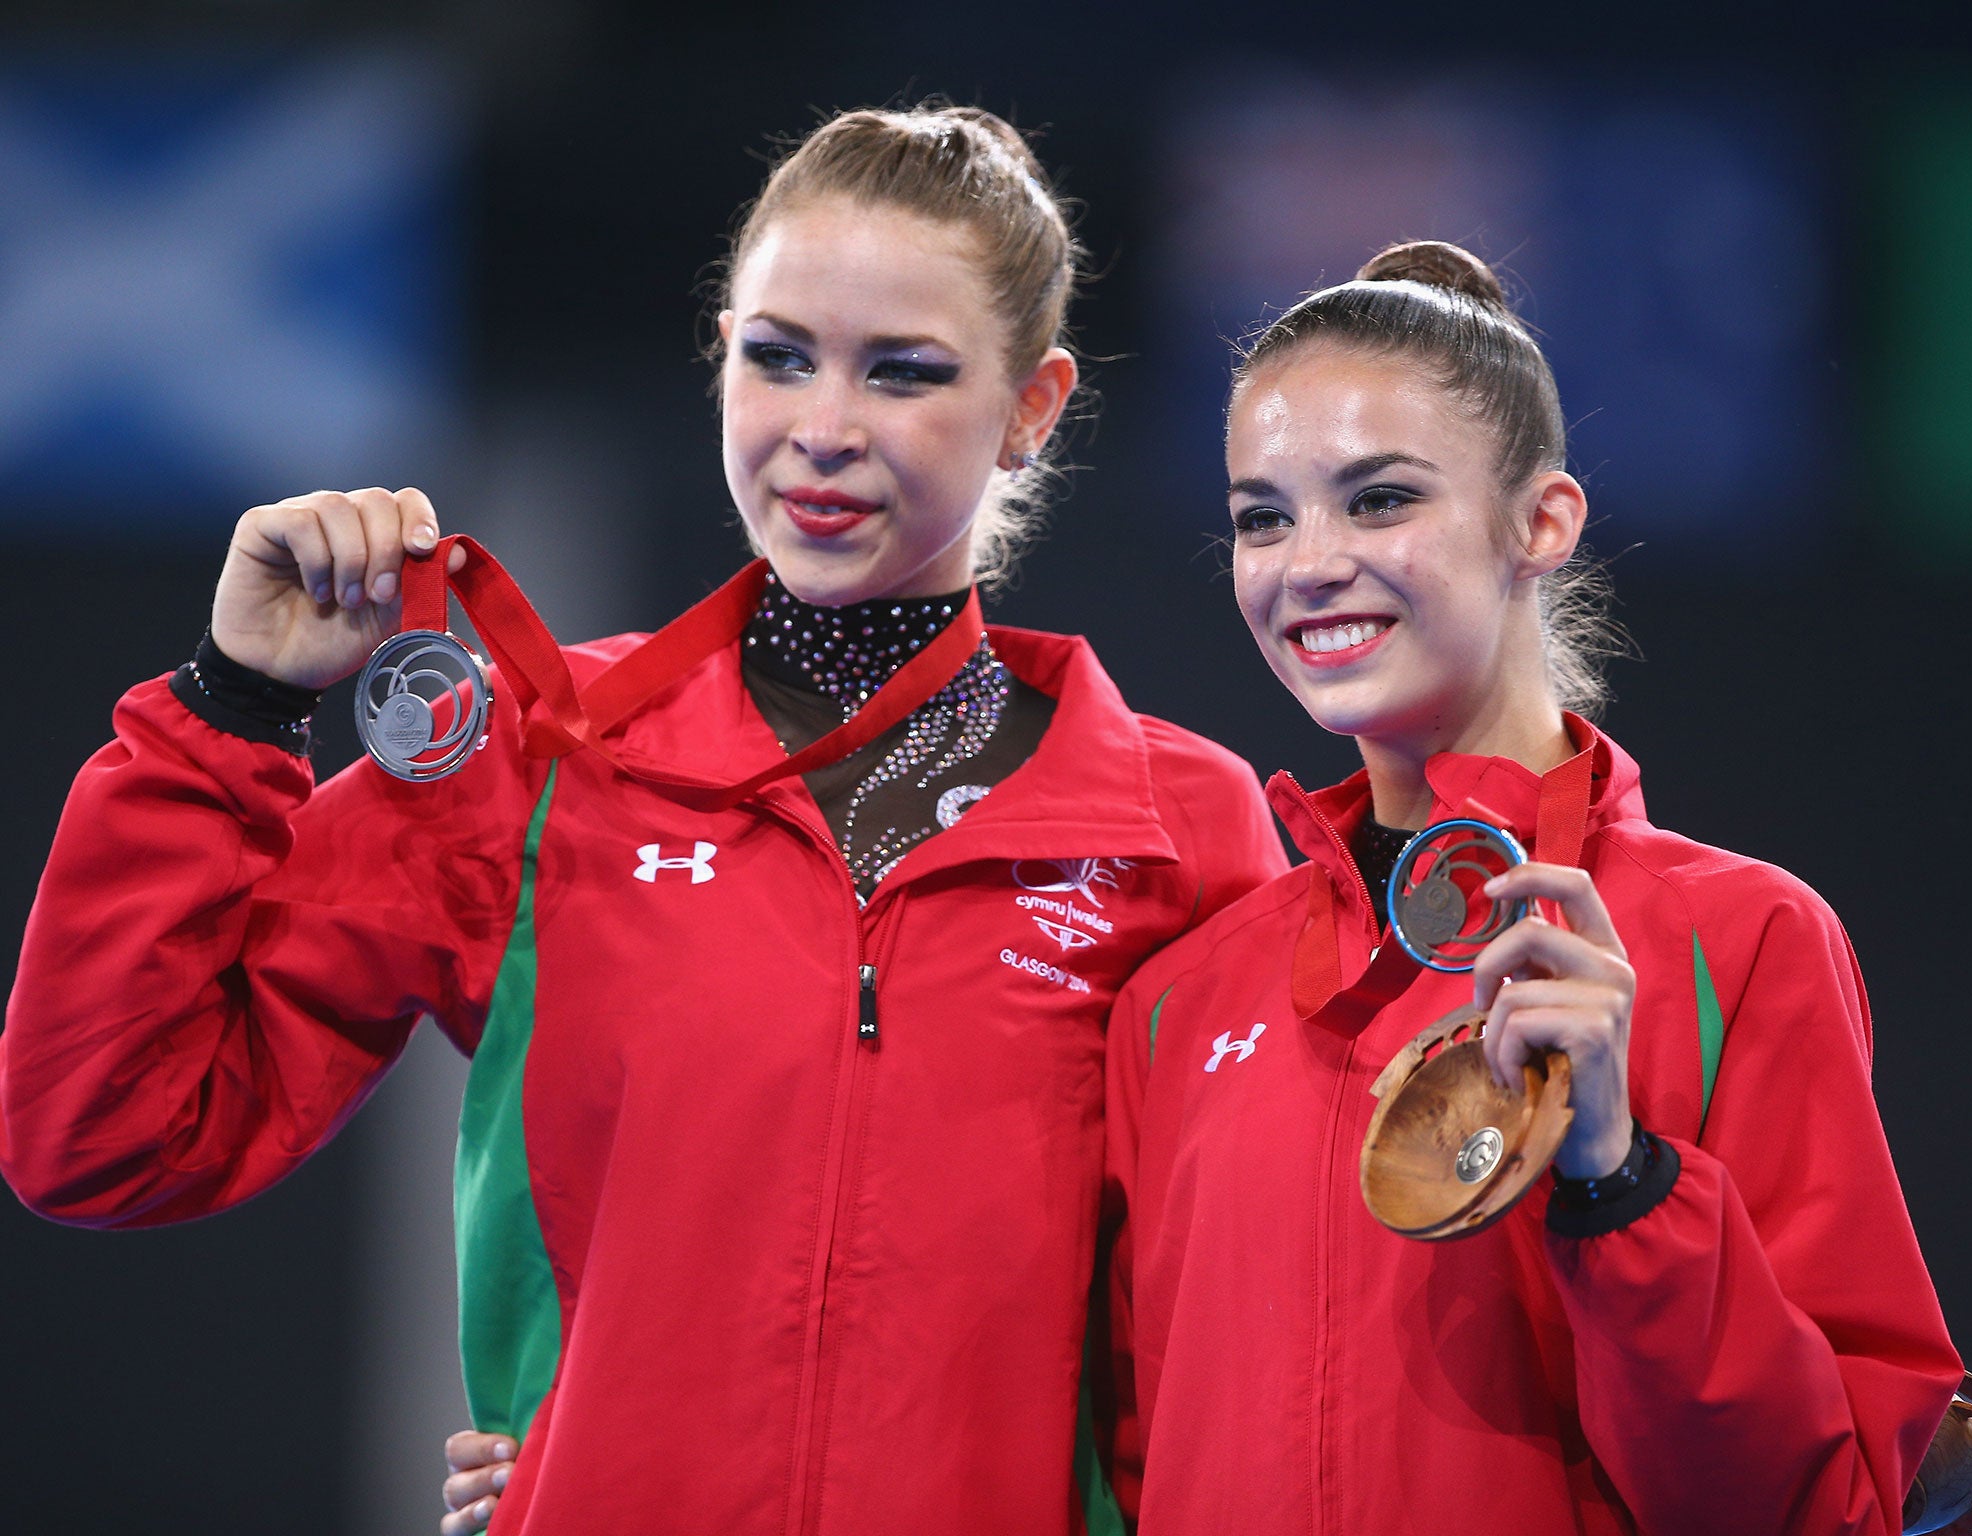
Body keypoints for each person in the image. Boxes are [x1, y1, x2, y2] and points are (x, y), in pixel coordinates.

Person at [0, 105, 1287, 1536]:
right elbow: (105, 1132)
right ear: (719, 351)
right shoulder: (538, 760)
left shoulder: (1181, 834)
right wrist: (232, 707)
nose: (823, 430)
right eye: (778, 356)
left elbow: (1263, 1329)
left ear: (1031, 409)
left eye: (904, 374)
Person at [1099, 241, 1963, 1533]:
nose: (1309, 562)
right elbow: (1138, 1480)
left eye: (1380, 499)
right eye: (1262, 516)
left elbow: (1824, 1505)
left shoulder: (1741, 942)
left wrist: (1619, 1185)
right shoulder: (1176, 1006)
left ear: (1541, 522)